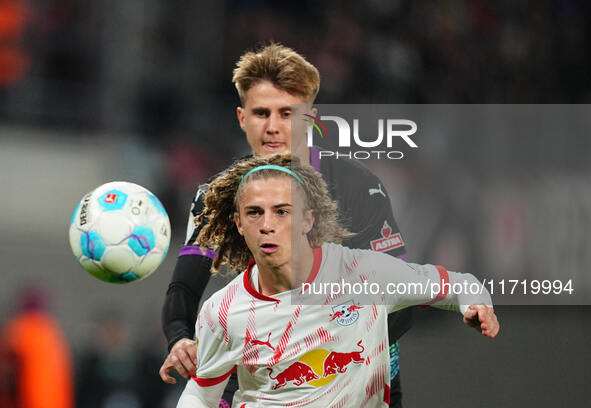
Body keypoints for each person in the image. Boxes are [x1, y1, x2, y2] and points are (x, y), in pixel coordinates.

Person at [160, 44, 413, 406]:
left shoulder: (356, 185)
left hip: (353, 379)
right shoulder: (216, 197)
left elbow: (402, 297)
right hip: (258, 377)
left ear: (310, 118)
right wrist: (180, 339)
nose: (273, 127)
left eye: (286, 113)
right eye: (261, 112)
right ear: (242, 117)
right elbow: (184, 286)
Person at [175, 154, 499, 407]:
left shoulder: (364, 274)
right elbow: (201, 395)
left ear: (307, 219)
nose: (267, 225)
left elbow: (457, 283)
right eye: (255, 213)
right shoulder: (223, 310)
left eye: (282, 211)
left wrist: (475, 305)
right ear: (239, 224)